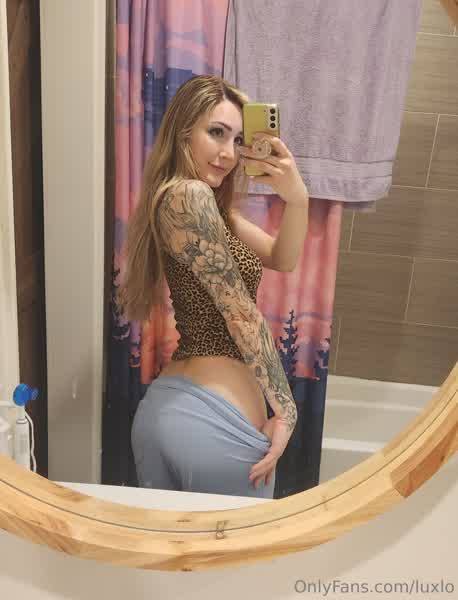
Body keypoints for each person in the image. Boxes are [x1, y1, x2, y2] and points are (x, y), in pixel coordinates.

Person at [120, 75, 309, 498]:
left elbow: (283, 258)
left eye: (238, 140)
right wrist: (286, 410)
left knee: (169, 542)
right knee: (241, 543)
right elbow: (239, 311)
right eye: (216, 133)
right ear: (183, 131)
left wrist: (297, 197)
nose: (228, 153)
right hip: (213, 425)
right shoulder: (190, 196)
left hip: (168, 412)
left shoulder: (199, 205)